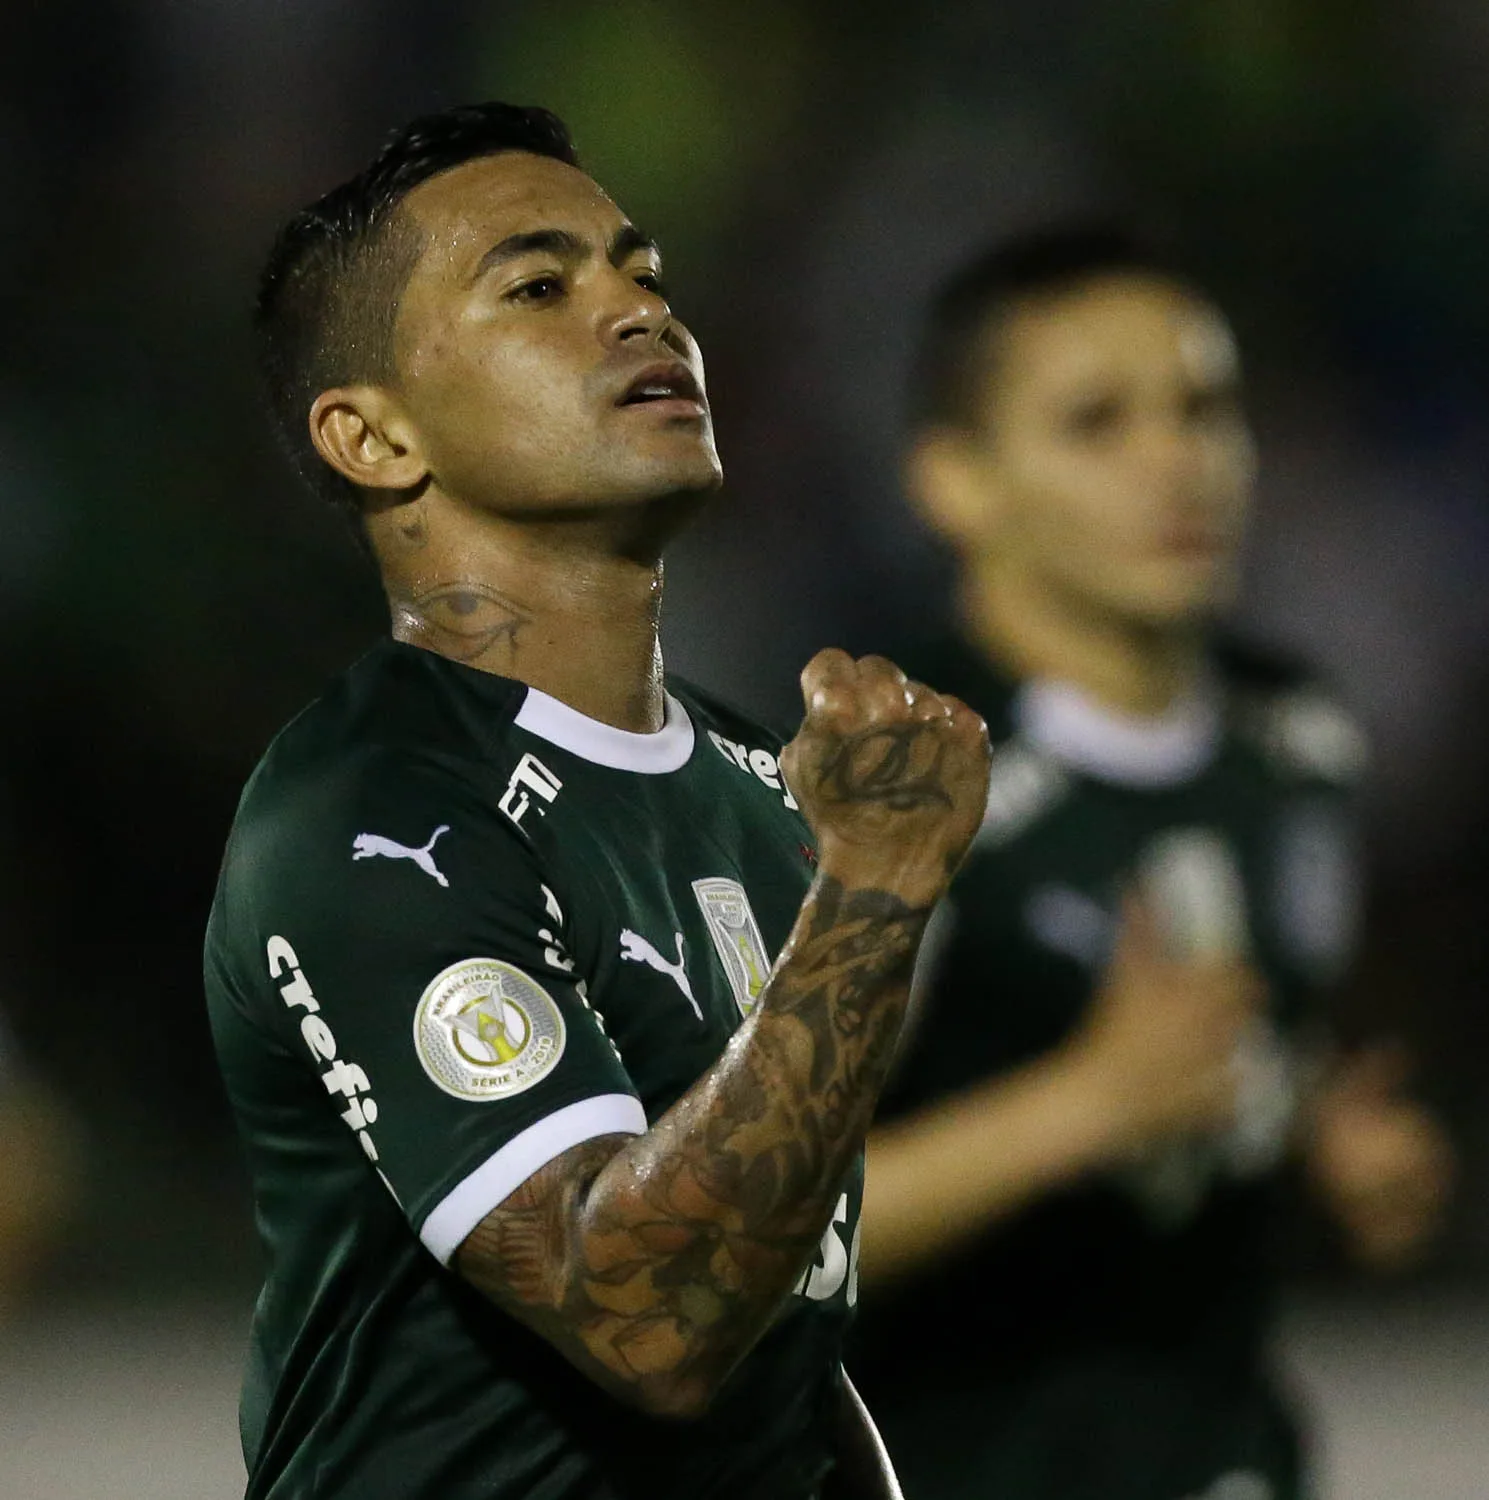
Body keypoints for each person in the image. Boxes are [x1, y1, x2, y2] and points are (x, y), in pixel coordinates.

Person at [205, 101, 992, 1500]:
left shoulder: (764, 789)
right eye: (536, 286)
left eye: (643, 271)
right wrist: (874, 888)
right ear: (374, 440)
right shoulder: (375, 811)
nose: (637, 310)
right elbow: (645, 1318)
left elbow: (782, 1321)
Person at [848, 227, 1454, 1500]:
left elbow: (1252, 1062)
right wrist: (1084, 1108)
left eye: (1204, 408)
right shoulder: (888, 786)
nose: (1175, 463)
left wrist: (1327, 1150)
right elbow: (744, 1244)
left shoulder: (1297, 739)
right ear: (957, 482)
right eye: (1095, 423)